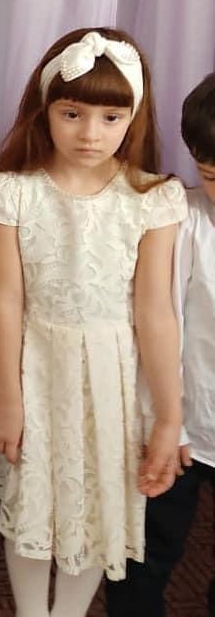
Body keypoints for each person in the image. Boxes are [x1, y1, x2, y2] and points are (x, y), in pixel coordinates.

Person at [0, 28, 186, 617]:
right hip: (38, 371)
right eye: (72, 114)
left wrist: (169, 416)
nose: (90, 133)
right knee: (35, 499)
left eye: (110, 117)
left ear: (133, 118)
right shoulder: (11, 192)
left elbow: (155, 311)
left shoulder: (152, 197)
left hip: (112, 378)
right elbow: (6, 299)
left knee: (98, 503)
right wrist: (9, 398)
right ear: (45, 111)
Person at [106, 72, 215, 616]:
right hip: (185, 423)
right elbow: (159, 320)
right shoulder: (186, 220)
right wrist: (168, 423)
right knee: (148, 550)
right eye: (209, 175)